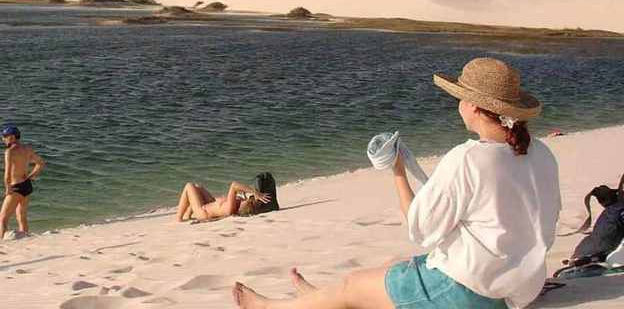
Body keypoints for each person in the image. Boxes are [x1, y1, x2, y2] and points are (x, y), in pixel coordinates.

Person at [232, 57, 562, 309]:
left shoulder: (469, 158)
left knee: (352, 285)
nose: (458, 105)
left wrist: (398, 172)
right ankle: (319, 299)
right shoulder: (542, 153)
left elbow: (421, 229)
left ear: (474, 106)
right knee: (394, 266)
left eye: (459, 97)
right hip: (518, 290)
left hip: (472, 293)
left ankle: (271, 307)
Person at [0, 125, 46, 240]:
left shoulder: (10, 152)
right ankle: (24, 240)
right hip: (27, 185)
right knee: (21, 217)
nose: (3, 139)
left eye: (5, 136)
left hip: (16, 187)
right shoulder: (27, 149)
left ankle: (0, 244)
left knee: (2, 218)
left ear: (12, 137)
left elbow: (7, 174)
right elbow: (40, 163)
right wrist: (30, 176)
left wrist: (7, 188)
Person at [174, 180, 271, 222]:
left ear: (243, 207)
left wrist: (254, 192)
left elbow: (234, 185)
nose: (247, 199)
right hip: (210, 205)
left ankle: (178, 218)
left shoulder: (231, 207)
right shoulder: (236, 204)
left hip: (202, 212)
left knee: (189, 186)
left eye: (247, 201)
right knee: (197, 187)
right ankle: (188, 216)